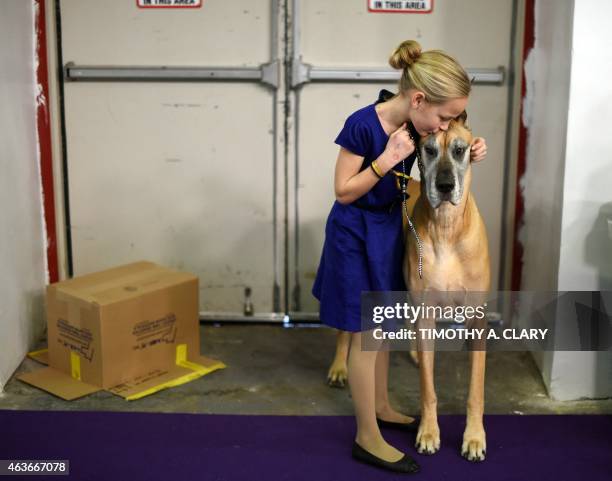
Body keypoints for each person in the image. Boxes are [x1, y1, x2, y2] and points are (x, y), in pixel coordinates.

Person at [312, 39, 487, 474]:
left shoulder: (415, 124)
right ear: (419, 99)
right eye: (443, 117)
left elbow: (446, 144)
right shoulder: (361, 125)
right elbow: (342, 191)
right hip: (355, 233)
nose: (443, 126)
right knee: (364, 333)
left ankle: (385, 406)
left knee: (385, 326)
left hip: (388, 230)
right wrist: (385, 160)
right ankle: (366, 436)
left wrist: (470, 147)